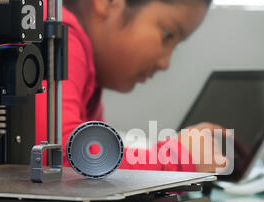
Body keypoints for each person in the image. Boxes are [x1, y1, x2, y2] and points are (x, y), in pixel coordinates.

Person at [36, 0, 228, 173]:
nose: (165, 63)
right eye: (168, 35)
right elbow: (58, 157)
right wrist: (177, 160)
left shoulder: (91, 72)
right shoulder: (56, 36)